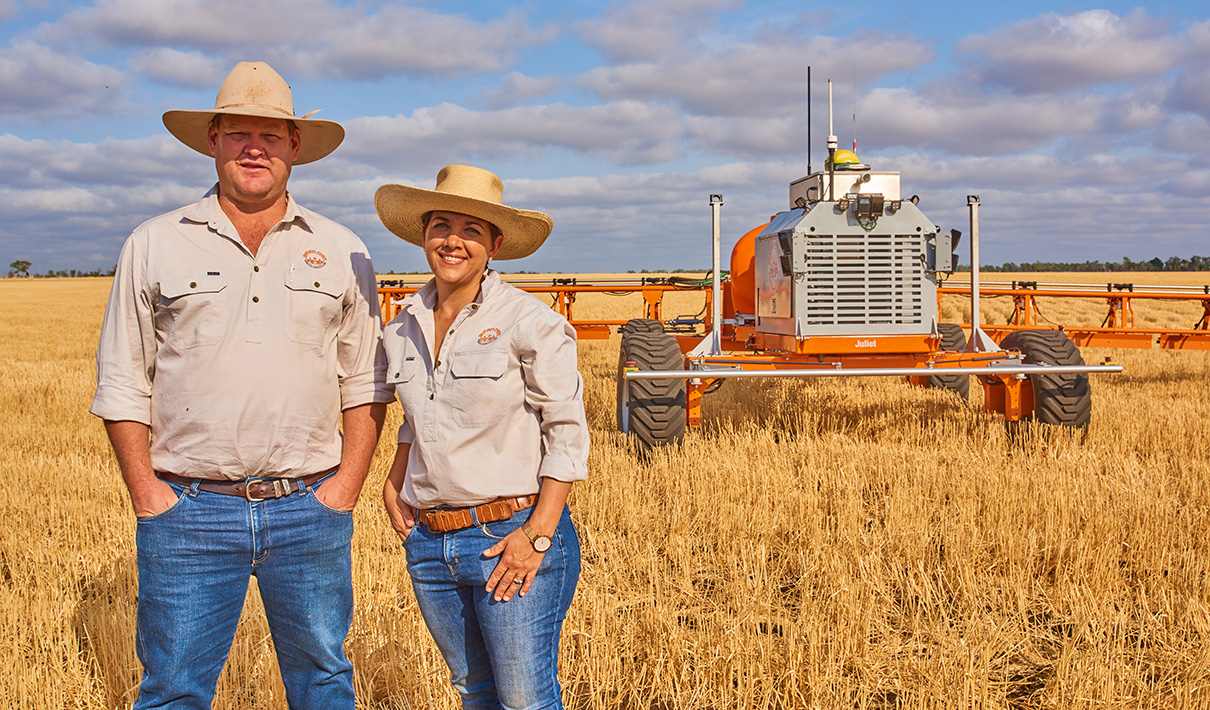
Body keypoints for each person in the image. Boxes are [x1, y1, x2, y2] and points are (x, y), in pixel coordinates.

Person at [89, 61, 392, 709]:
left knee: (324, 682)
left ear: (295, 148)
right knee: (172, 690)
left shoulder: (343, 249)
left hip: (308, 507)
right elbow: (121, 379)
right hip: (188, 511)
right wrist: (149, 496)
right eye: (238, 133)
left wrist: (343, 491)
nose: (255, 147)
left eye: (272, 134)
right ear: (213, 140)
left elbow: (366, 382)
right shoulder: (154, 243)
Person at [375, 165, 589, 709]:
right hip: (430, 543)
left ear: (494, 244)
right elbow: (416, 415)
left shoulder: (528, 321)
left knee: (523, 699)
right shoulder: (399, 327)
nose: (453, 240)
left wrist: (538, 535)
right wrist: (394, 478)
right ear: (423, 235)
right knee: (474, 692)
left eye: (471, 229)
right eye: (441, 225)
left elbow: (566, 432)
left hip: (509, 535)